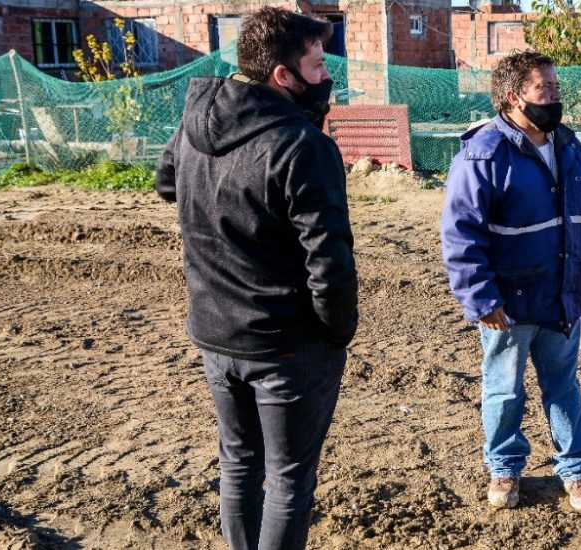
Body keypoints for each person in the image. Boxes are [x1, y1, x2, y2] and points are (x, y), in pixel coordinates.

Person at [154, 7, 358, 549]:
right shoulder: (302, 145)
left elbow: (166, 184)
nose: (327, 77)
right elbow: (330, 260)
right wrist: (336, 333)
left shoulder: (197, 117)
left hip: (215, 331)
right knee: (289, 478)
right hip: (285, 345)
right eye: (318, 65)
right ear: (283, 77)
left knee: (239, 463)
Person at [440, 50, 581, 514]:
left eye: (556, 88)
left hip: (562, 295)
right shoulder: (484, 154)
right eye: (545, 89)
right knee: (504, 389)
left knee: (564, 386)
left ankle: (576, 472)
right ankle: (505, 468)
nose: (555, 96)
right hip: (507, 304)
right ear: (514, 97)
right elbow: (460, 237)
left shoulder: (569, 146)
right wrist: (481, 299)